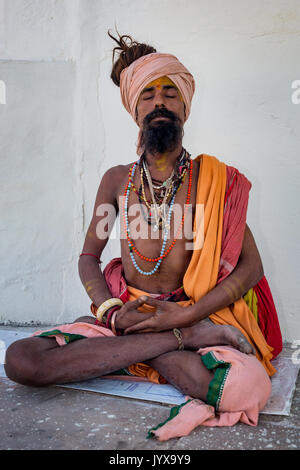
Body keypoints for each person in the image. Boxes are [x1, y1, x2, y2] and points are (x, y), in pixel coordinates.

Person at [4, 32, 282, 440]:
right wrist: (112, 312)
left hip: (194, 311)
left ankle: (156, 342)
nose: (160, 104)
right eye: (148, 96)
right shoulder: (117, 182)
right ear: (135, 110)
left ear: (185, 105)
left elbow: (251, 266)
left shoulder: (213, 180)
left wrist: (186, 314)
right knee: (21, 360)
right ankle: (180, 341)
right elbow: (88, 258)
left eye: (171, 94)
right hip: (128, 314)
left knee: (246, 387)